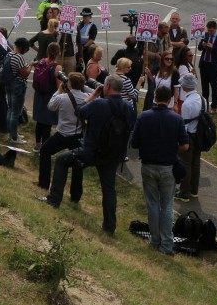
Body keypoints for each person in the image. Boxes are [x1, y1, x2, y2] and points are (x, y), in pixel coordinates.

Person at [41, 75, 135, 235]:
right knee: (109, 189)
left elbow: (80, 112)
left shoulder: (99, 103)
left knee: (62, 160)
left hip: (92, 151)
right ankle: (109, 226)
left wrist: (92, 96)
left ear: (107, 87)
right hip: (113, 154)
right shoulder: (128, 107)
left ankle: (54, 199)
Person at [131, 84, 189, 254]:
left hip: (148, 165)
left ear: (155, 98)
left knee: (152, 204)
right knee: (167, 205)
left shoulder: (144, 117)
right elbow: (185, 145)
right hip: (168, 167)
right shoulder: (176, 119)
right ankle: (166, 244)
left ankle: (154, 240)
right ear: (170, 99)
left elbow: (134, 143)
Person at [38, 72, 91, 197]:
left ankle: (44, 183)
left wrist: (59, 90)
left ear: (69, 84)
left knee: (45, 151)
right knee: (78, 163)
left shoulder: (62, 98)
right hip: (78, 135)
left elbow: (51, 106)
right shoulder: (87, 98)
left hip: (62, 134)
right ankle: (76, 194)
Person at [178, 73, 205, 199]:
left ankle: (184, 192)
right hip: (200, 135)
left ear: (184, 86)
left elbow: (184, 126)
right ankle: (194, 190)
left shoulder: (187, 104)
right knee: (195, 163)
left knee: (185, 164)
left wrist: (181, 141)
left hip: (189, 136)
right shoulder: (202, 99)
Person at [32, 43, 61, 149]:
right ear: (58, 52)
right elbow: (59, 86)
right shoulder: (57, 67)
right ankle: (44, 147)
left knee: (39, 122)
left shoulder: (40, 61)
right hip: (50, 97)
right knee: (47, 124)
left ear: (47, 51)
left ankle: (37, 144)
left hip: (39, 95)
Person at [4, 38, 32, 145]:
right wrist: (31, 65)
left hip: (9, 84)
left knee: (10, 109)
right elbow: (25, 73)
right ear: (22, 48)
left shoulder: (9, 54)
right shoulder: (18, 57)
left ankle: (12, 133)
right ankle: (14, 137)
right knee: (15, 112)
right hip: (18, 86)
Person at [198, 20, 217, 113]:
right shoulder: (205, 35)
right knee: (204, 86)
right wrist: (202, 45)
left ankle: (214, 107)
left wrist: (213, 47)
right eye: (209, 30)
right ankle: (205, 105)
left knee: (214, 86)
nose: (210, 32)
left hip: (214, 66)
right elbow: (199, 48)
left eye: (211, 30)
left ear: (215, 28)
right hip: (204, 64)